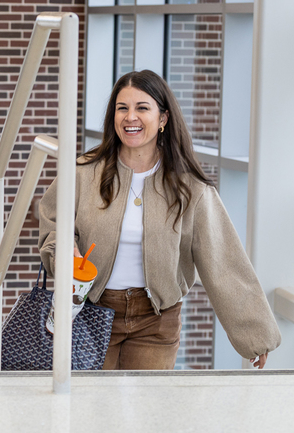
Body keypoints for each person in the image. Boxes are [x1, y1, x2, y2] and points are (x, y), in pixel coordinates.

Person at [38, 70, 280, 370]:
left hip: (156, 323)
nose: (130, 117)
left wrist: (256, 336)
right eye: (122, 108)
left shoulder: (189, 187)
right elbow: (52, 222)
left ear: (163, 118)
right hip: (89, 313)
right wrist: (62, 250)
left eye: (142, 108)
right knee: (91, 411)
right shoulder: (85, 171)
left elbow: (224, 261)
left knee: (145, 414)